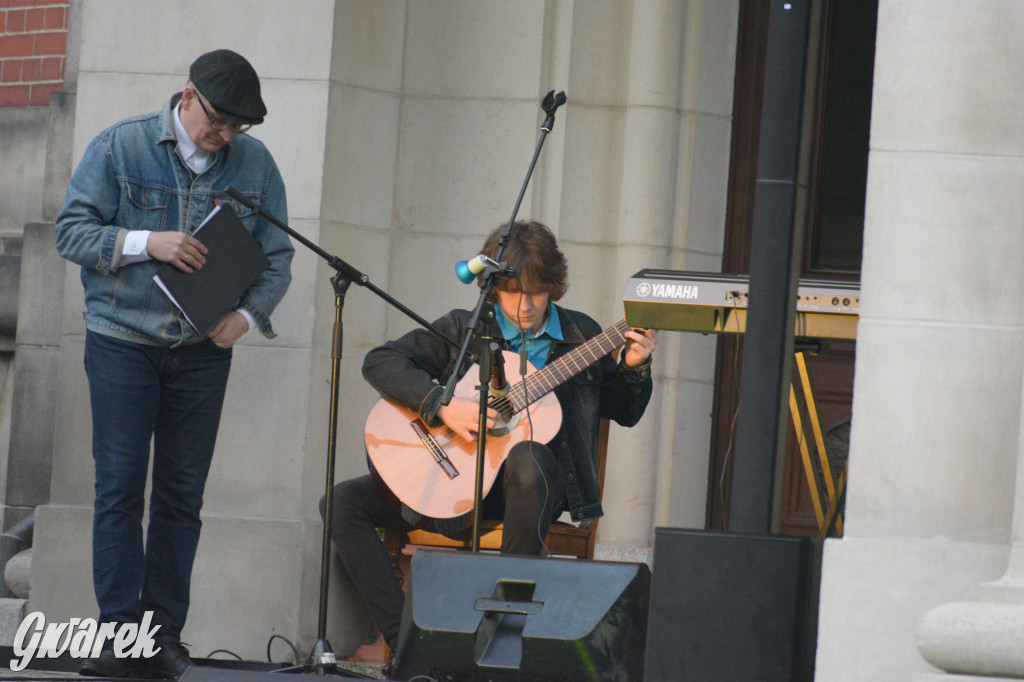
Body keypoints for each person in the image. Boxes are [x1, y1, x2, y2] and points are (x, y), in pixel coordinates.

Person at [55, 49, 294, 679]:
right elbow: (70, 232)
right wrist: (144, 242)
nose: (225, 136)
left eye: (238, 127)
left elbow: (277, 257)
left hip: (200, 352)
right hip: (121, 340)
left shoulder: (255, 166)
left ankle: (162, 640)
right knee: (119, 490)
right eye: (218, 121)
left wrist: (243, 319)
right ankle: (118, 639)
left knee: (183, 497)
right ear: (187, 96)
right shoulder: (121, 147)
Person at [324, 220, 657, 666]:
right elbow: (381, 362)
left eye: (537, 292)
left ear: (553, 288)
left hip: (529, 490)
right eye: (513, 292)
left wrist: (634, 365)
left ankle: (500, 645)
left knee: (528, 457)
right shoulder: (465, 329)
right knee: (342, 502)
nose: (526, 305)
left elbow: (626, 411)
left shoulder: (582, 335)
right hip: (454, 478)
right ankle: (409, 643)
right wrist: (442, 406)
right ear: (493, 288)